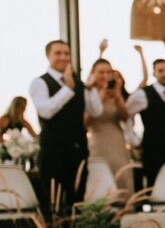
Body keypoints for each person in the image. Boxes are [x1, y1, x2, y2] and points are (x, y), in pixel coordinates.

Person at [29, 39, 103, 211]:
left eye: (66, 54)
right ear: (48, 56)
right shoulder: (39, 83)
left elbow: (96, 111)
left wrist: (90, 89)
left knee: (76, 202)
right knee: (51, 203)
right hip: (53, 151)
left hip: (78, 151)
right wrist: (68, 89)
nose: (63, 57)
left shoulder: (79, 83)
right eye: (58, 53)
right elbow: (45, 111)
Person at [126, 58, 165, 188]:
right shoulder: (142, 94)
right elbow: (127, 116)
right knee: (154, 185)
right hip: (153, 148)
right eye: (161, 71)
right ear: (154, 73)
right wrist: (134, 140)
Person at [84, 58, 133, 196]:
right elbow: (85, 122)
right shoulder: (88, 94)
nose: (105, 75)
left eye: (109, 72)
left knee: (122, 176)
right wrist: (100, 96)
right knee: (101, 179)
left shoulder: (115, 94)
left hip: (117, 141)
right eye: (101, 72)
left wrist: (118, 97)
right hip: (97, 141)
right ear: (93, 73)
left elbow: (125, 118)